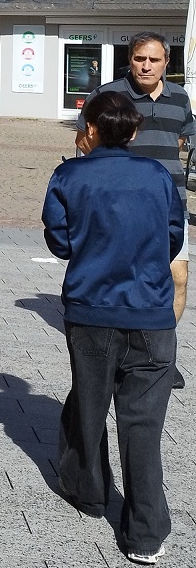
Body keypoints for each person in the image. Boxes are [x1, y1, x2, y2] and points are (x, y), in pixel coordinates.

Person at [43, 91, 184, 565]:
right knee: (143, 423)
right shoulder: (157, 176)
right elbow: (172, 236)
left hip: (92, 307)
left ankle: (89, 490)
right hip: (150, 310)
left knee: (90, 400)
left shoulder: (69, 175)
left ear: (90, 129)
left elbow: (60, 242)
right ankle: (145, 532)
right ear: (136, 132)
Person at [78, 30, 194, 389]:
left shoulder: (180, 97)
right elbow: (84, 142)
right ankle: (118, 353)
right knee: (125, 278)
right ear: (130, 59)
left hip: (170, 202)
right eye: (139, 59)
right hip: (122, 207)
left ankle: (161, 354)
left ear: (166, 63)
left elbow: (177, 139)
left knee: (177, 279)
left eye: (153, 60)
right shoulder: (108, 95)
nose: (145, 66)